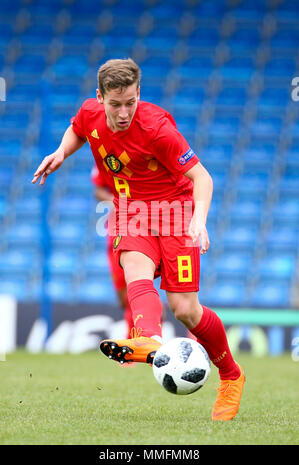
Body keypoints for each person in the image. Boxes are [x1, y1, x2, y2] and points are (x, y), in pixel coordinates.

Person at [32, 58, 245, 421]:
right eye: (115, 104)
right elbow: (77, 129)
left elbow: (203, 178)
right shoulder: (89, 113)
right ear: (100, 98)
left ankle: (231, 375)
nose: (123, 112)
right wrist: (61, 153)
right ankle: (148, 337)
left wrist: (199, 220)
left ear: (138, 94)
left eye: (130, 102)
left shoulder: (157, 129)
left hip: (175, 210)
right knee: (134, 263)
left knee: (185, 310)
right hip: (132, 209)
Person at [91, 164, 134, 340]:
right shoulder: (104, 153)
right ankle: (152, 316)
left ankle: (134, 341)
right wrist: (116, 201)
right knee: (123, 295)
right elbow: (98, 190)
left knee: (135, 287)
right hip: (115, 230)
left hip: (140, 227)